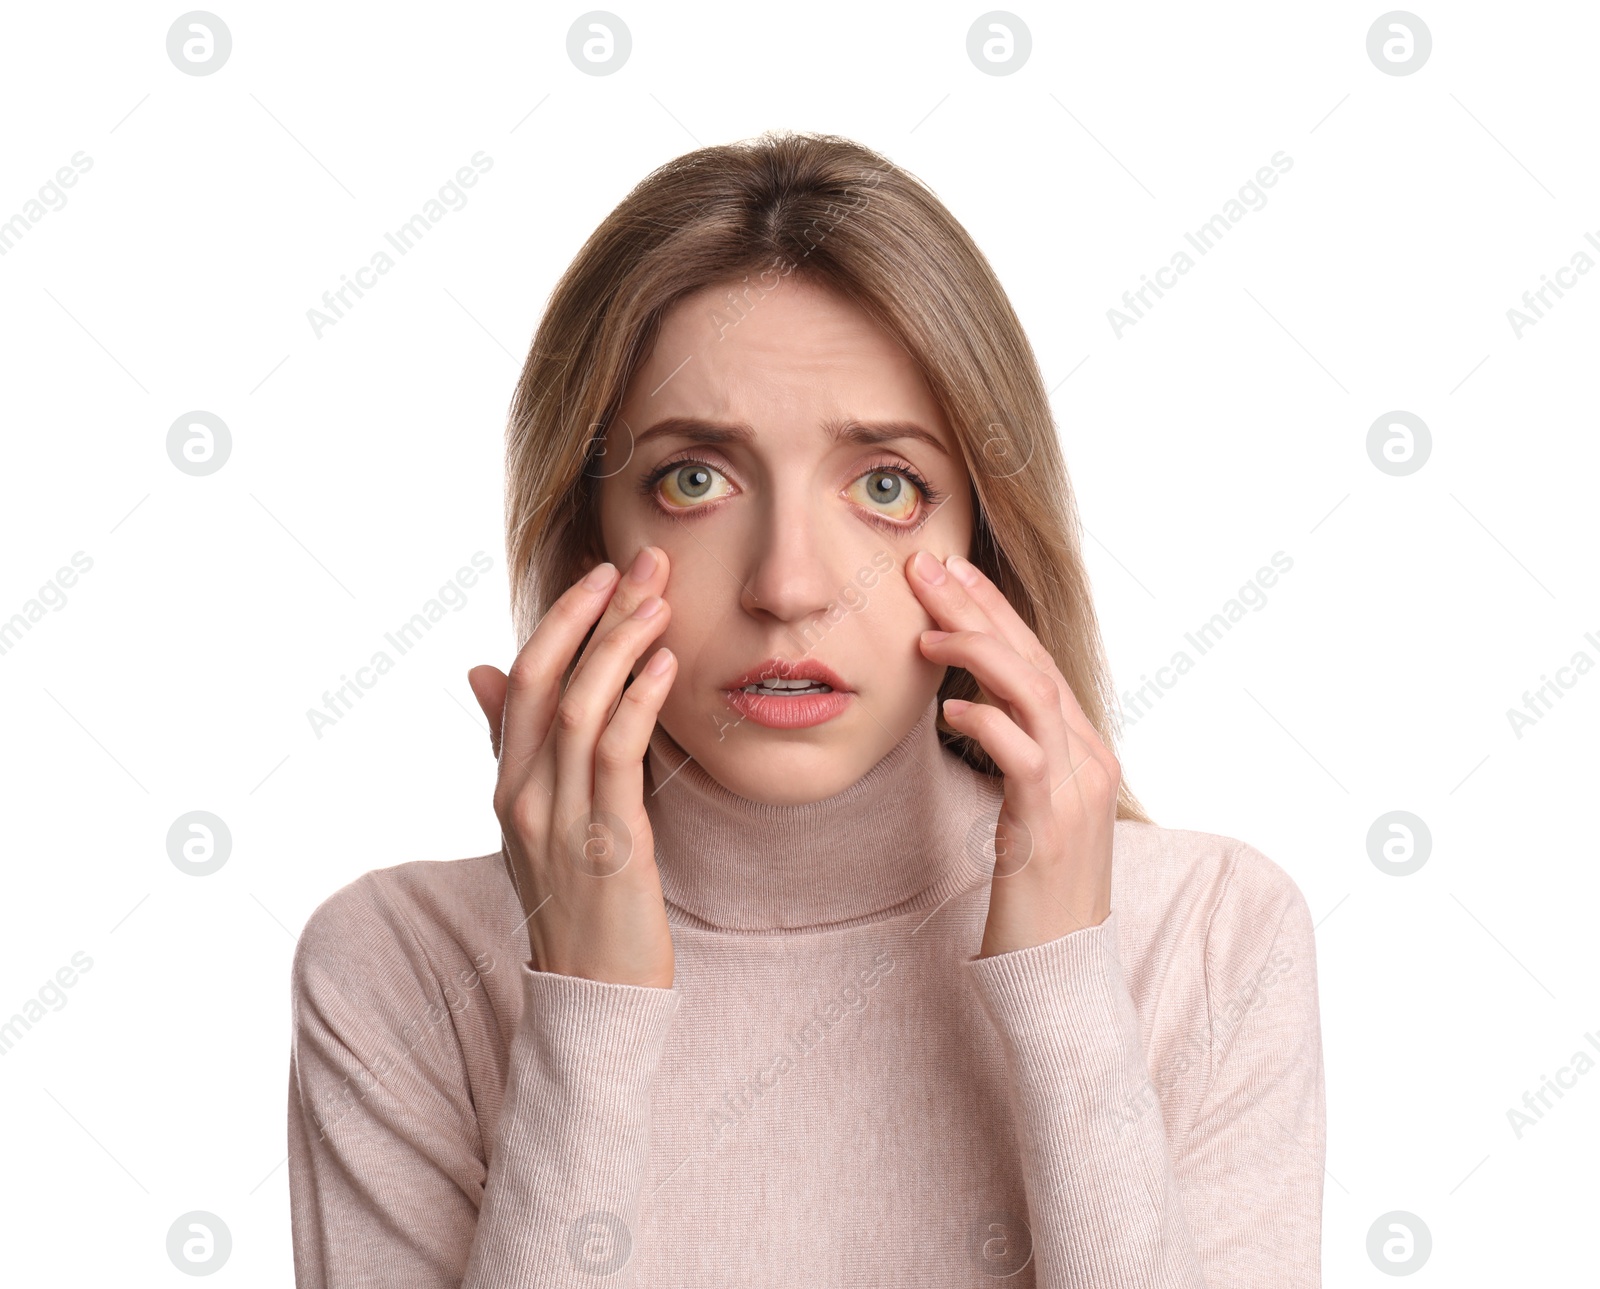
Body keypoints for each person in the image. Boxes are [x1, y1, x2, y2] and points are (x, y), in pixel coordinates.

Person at [287, 130, 1325, 1287]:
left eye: (886, 486)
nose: (788, 586)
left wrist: (1065, 991)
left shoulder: (1212, 932)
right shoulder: (395, 968)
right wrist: (590, 1006)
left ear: (982, 535)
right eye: (694, 479)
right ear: (590, 538)